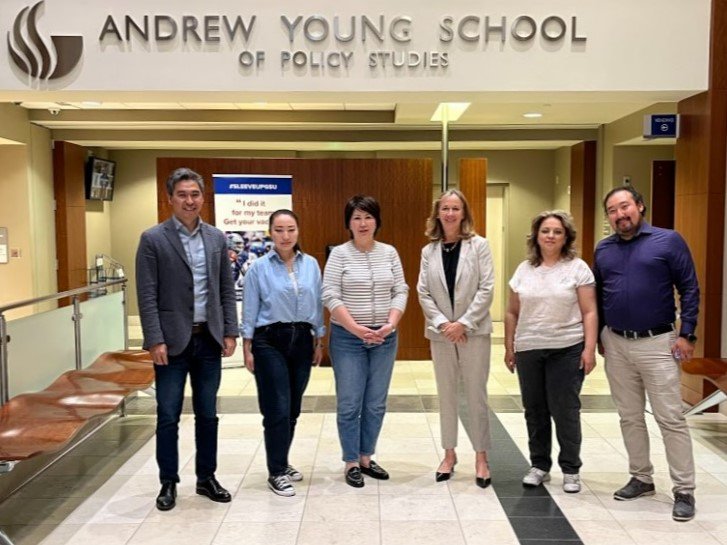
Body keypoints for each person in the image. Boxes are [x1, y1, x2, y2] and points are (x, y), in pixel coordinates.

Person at [593, 186, 699, 522]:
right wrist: (600, 335)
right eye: (612, 210)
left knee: (670, 418)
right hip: (616, 343)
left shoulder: (668, 241)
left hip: (658, 343)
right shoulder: (603, 249)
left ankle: (684, 489)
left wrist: (687, 333)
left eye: (624, 206)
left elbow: (689, 287)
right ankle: (641, 477)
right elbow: (598, 295)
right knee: (629, 416)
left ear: (640, 206)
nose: (619, 214)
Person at [135, 167, 238, 511]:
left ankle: (206, 477)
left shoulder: (216, 238)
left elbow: (225, 288)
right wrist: (154, 339)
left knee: (208, 414)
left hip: (208, 339)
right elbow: (147, 294)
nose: (189, 200)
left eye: (195, 194)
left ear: (203, 198)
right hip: (171, 343)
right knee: (168, 415)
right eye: (182, 194)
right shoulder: (153, 239)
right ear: (170, 198)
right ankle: (168, 482)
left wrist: (230, 330)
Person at [504, 210, 597, 494]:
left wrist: (589, 349)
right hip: (529, 348)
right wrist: (509, 346)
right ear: (536, 235)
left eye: (557, 231)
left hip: (566, 348)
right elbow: (511, 312)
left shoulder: (578, 268)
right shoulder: (524, 269)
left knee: (565, 410)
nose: (551, 236)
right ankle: (539, 465)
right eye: (545, 231)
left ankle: (571, 469)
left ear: (566, 236)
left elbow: (590, 311)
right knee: (535, 410)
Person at [322, 195, 408, 488]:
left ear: (377, 221)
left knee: (375, 403)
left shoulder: (390, 253)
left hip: (385, 337)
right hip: (348, 338)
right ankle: (350, 461)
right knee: (349, 402)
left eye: (368, 217)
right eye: (356, 218)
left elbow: (400, 290)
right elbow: (330, 294)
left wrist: (390, 324)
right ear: (348, 223)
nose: (362, 223)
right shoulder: (339, 254)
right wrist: (356, 328)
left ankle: (366, 457)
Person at [241, 209, 325, 497]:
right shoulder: (259, 268)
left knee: (292, 408)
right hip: (269, 341)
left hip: (302, 338)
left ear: (298, 231)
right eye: (278, 230)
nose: (285, 236)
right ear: (270, 233)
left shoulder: (311, 265)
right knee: (276, 407)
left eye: (290, 229)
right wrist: (247, 346)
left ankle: (282, 460)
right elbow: (250, 308)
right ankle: (276, 471)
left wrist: (319, 340)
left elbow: (317, 304)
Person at [416, 189, 495, 488]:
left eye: (455, 208)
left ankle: (481, 457)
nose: (450, 214)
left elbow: (487, 288)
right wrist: (442, 323)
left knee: (476, 394)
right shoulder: (429, 251)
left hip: (473, 332)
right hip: (441, 335)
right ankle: (449, 454)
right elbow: (423, 291)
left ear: (464, 213)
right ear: (437, 213)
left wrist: (463, 323)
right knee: (446, 394)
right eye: (445, 208)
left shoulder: (479, 246)